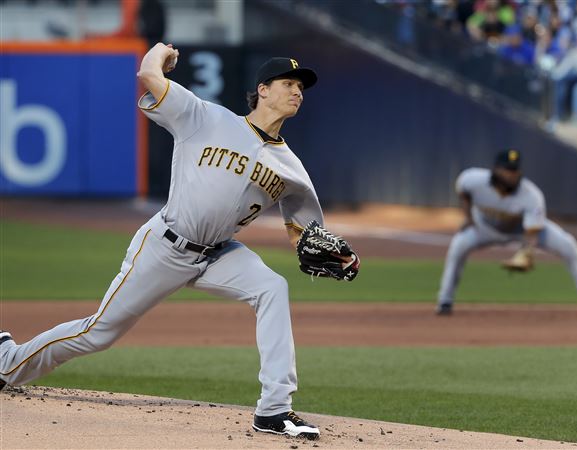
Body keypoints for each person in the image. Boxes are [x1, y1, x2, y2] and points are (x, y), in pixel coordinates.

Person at [0, 44, 359, 440]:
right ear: (262, 89)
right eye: (288, 83)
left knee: (272, 287)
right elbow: (150, 77)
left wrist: (329, 253)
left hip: (220, 254)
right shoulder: (205, 117)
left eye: (301, 87)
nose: (297, 92)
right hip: (164, 245)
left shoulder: (292, 168)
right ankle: (9, 360)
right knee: (98, 333)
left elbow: (304, 233)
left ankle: (274, 410)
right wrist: (157, 54)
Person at [436, 149, 577, 315]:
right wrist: (468, 218)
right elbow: (463, 192)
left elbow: (532, 232)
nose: (512, 174)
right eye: (508, 169)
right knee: (457, 246)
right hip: (483, 228)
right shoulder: (472, 179)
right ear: (496, 169)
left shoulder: (531, 195)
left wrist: (526, 252)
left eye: (515, 170)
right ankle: (445, 301)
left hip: (520, 230)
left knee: (568, 246)